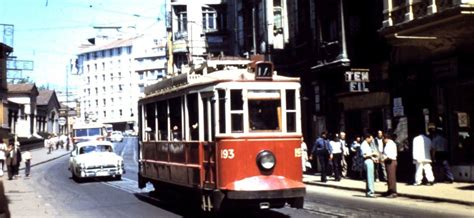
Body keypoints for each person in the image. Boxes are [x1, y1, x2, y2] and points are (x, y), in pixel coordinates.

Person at [360, 133, 378, 198]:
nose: (371, 140)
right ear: (367, 138)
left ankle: (368, 191)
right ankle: (371, 192)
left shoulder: (367, 144)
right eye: (371, 139)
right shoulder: (363, 145)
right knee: (370, 177)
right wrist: (373, 154)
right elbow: (364, 155)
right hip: (367, 161)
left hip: (370, 160)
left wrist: (373, 158)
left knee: (369, 177)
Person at [382, 133, 398, 198]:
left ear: (386, 138)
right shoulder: (389, 144)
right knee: (389, 177)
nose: (383, 140)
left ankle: (393, 192)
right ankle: (389, 190)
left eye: (383, 139)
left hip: (391, 161)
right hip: (388, 161)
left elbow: (390, 155)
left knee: (391, 177)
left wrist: (383, 158)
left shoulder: (390, 144)